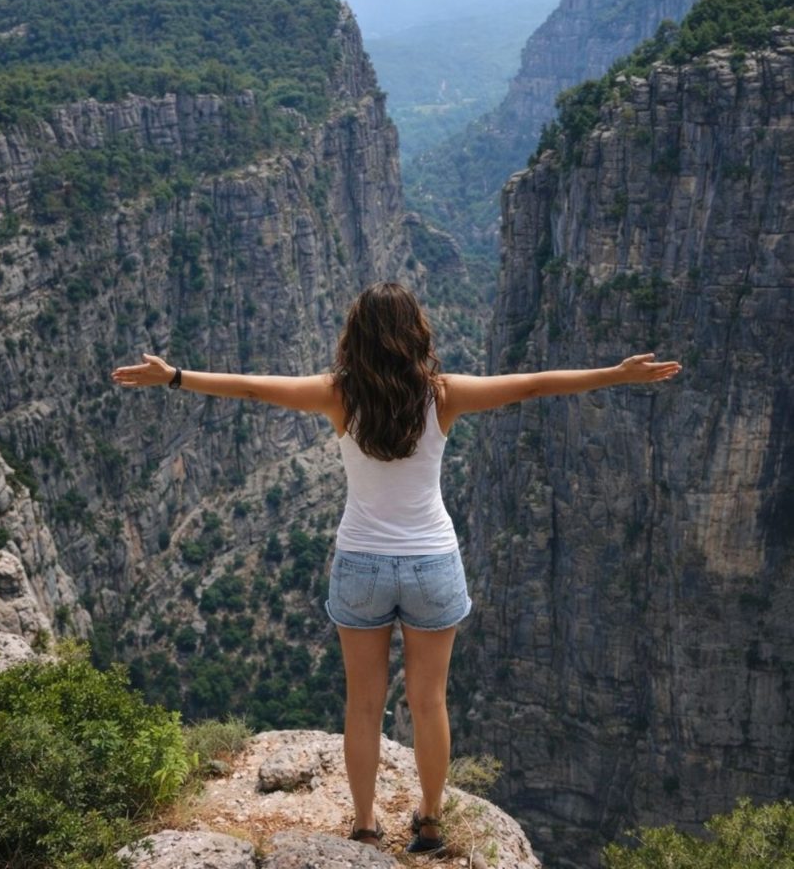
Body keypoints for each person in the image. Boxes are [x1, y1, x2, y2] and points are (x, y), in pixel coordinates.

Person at [112, 281, 681, 854]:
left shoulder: (338, 395)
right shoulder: (443, 395)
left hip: (361, 564)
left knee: (364, 704)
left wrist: (176, 376)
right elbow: (532, 385)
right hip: (432, 563)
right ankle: (429, 823)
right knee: (429, 702)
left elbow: (254, 388)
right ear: (416, 333)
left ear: (356, 336)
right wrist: (616, 374)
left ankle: (364, 824)